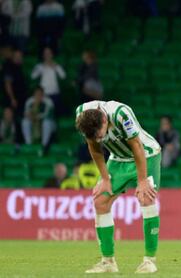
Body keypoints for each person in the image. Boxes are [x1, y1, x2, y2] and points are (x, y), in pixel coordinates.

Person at [75, 100, 161, 274]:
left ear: (105, 121)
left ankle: (149, 260)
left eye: (101, 135)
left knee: (146, 198)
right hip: (118, 159)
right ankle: (108, 262)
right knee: (100, 200)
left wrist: (142, 180)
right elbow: (94, 146)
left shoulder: (121, 114)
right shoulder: (82, 114)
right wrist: (105, 178)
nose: (100, 139)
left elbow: (136, 145)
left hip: (146, 154)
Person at [31, 47, 66, 115]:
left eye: (49, 53)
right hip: (43, 94)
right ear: (43, 55)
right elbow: (33, 76)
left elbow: (63, 76)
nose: (47, 55)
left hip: (55, 93)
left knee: (55, 114)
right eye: (46, 53)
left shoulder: (56, 65)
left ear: (52, 55)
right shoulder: (40, 66)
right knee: (43, 114)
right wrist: (41, 68)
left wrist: (55, 67)